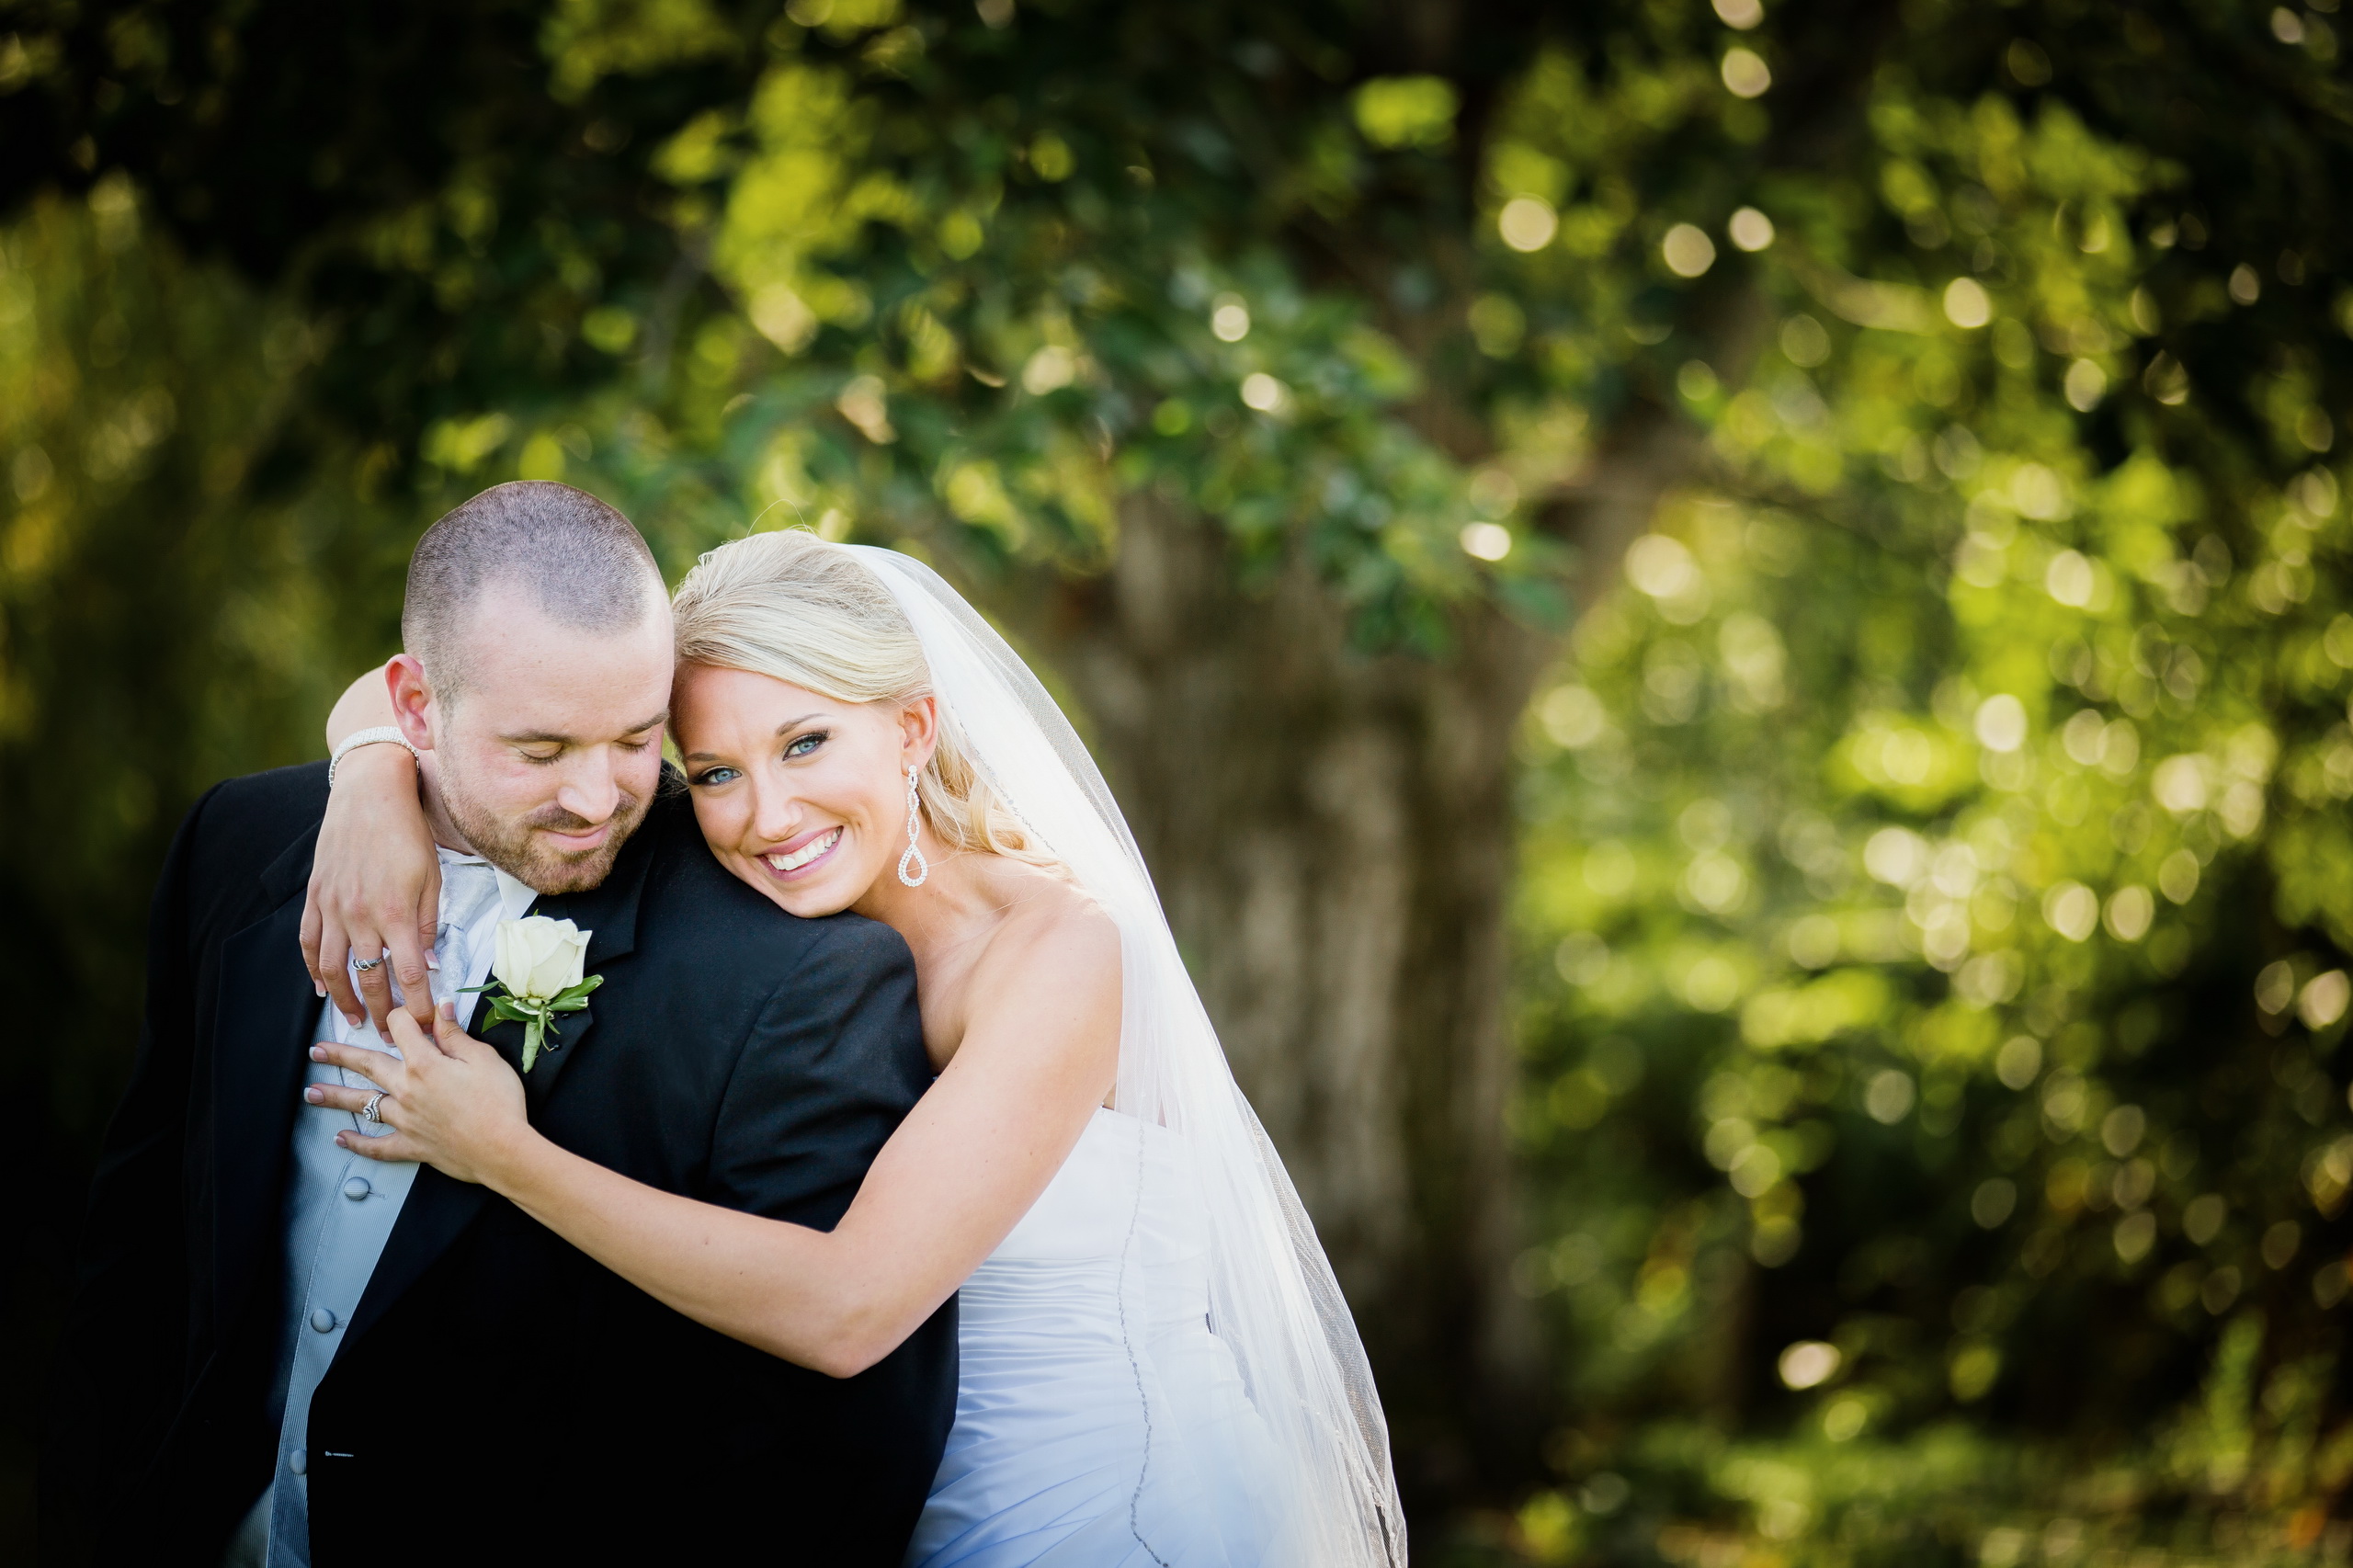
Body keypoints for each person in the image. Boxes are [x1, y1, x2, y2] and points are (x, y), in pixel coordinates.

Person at [298, 528, 1407, 1565]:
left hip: (1106, 1504)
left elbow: (848, 1309)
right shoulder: (773, 911)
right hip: (893, 1515)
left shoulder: (1057, 950)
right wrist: (370, 781)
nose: (767, 814)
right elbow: (422, 685)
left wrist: (503, 1151)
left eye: (808, 742)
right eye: (717, 770)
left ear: (913, 730)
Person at [40, 483, 955, 1568]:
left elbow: (843, 1445)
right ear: (415, 710)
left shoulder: (791, 967)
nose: (596, 796)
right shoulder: (239, 842)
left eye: (634, 738)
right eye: (540, 748)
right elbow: (140, 1234)